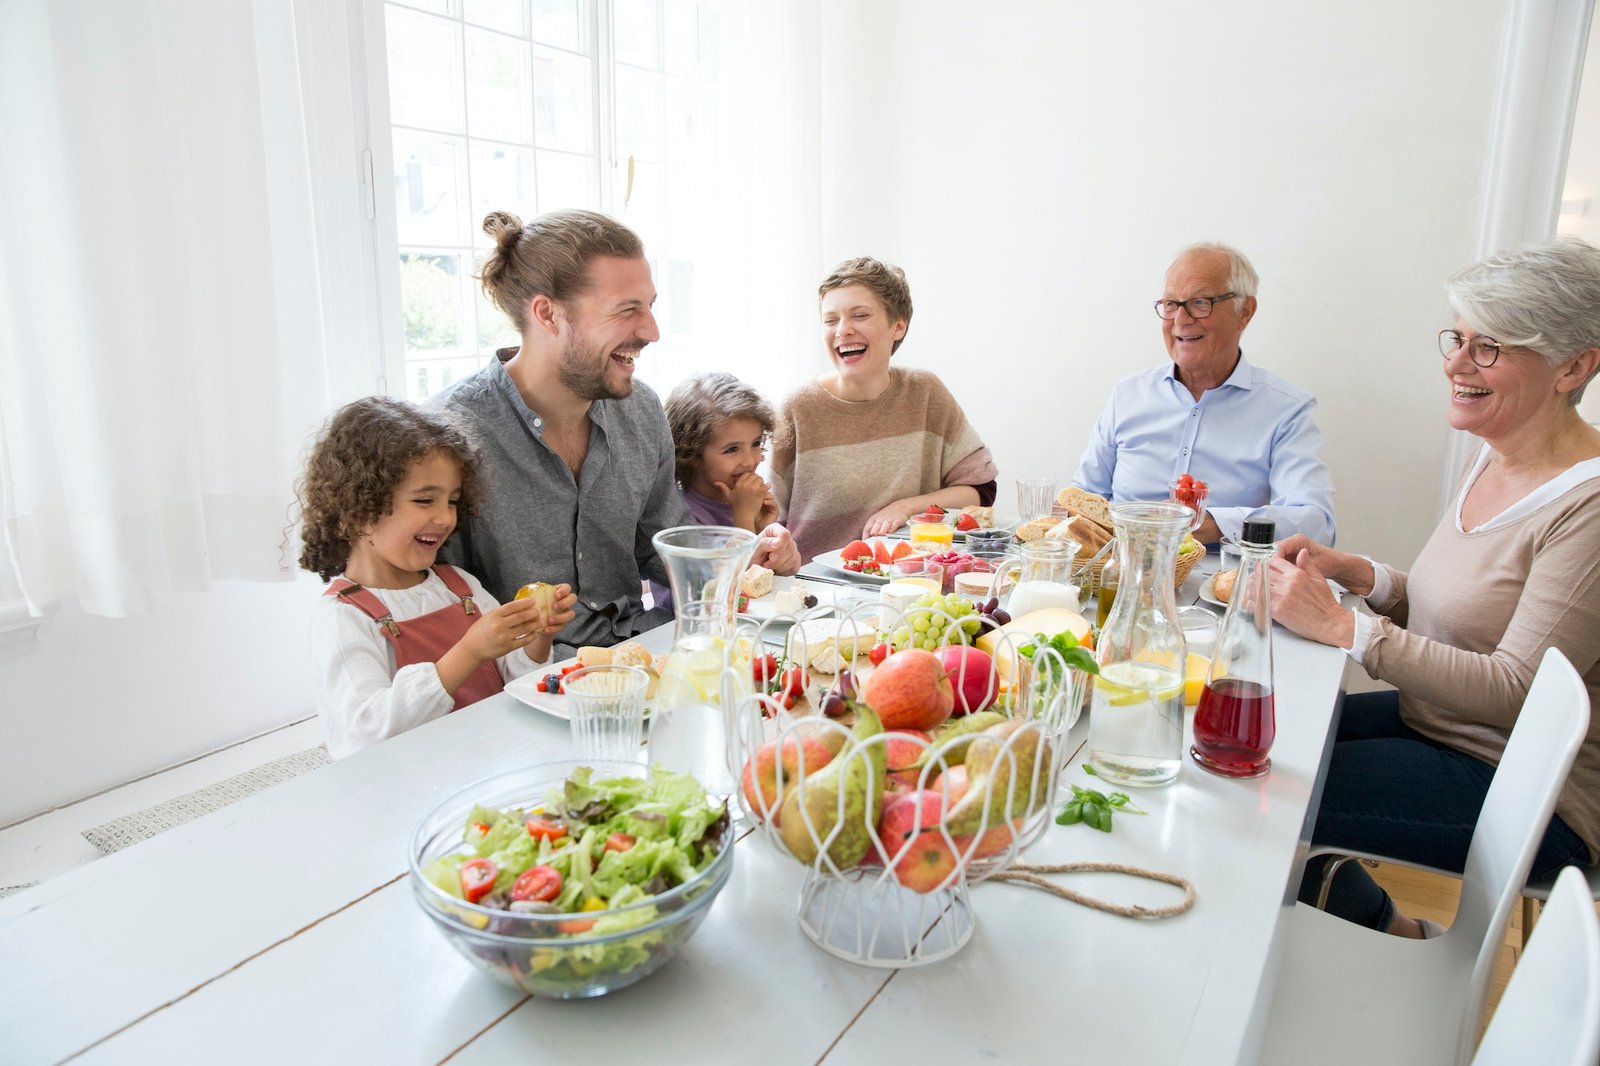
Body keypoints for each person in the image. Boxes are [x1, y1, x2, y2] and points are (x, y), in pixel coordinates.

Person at [1269, 236, 1600, 937]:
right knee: (1261, 734)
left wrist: (1345, 628)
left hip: (1526, 788)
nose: (1456, 364)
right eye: (1459, 339)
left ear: (1574, 366)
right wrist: (1362, 575)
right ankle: (1382, 921)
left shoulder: (1588, 509)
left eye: (1491, 348)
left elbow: (1515, 687)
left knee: (1260, 787)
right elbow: (1458, 604)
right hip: (1439, 724)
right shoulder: (1496, 451)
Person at [431, 210, 799, 653]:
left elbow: (668, 556)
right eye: (628, 310)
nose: (652, 331)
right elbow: (436, 605)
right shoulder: (452, 433)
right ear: (548, 314)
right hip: (520, 677)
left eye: (650, 306)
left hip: (640, 650)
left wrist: (755, 558)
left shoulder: (641, 410)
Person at [300, 397, 578, 759]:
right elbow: (369, 732)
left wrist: (537, 637)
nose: (446, 518)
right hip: (408, 784)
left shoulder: (458, 586)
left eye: (452, 501)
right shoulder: (344, 618)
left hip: (488, 758)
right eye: (424, 501)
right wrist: (468, 651)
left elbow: (517, 678)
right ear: (359, 510)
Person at [1072, 242, 1336, 545]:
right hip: (1124, 573)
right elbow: (1083, 499)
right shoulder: (1128, 394)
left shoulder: (1286, 409)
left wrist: (1213, 523)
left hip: (1223, 580)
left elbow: (1317, 525)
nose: (1181, 320)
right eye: (1171, 304)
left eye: (1200, 303)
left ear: (1244, 312)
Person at [771, 256, 998, 562]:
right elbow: (768, 522)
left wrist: (906, 506)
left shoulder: (925, 392)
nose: (842, 330)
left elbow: (980, 492)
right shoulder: (798, 408)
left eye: (860, 315)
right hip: (814, 586)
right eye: (830, 320)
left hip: (909, 581)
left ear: (898, 326)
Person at [664, 371, 780, 533]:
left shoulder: (750, 501)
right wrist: (744, 517)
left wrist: (763, 527)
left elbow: (759, 558)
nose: (749, 461)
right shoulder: (682, 518)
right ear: (690, 453)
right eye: (732, 449)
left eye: (756, 443)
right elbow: (733, 559)